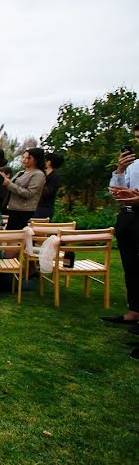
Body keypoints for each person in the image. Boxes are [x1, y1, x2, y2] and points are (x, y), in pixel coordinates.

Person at [104, 125, 139, 354]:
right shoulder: (134, 165)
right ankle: (134, 311)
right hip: (127, 215)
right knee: (131, 265)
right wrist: (119, 168)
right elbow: (116, 189)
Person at [3, 148, 46, 231]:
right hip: (13, 208)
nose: (25, 160)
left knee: (17, 234)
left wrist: (9, 184)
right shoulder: (20, 173)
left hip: (24, 210)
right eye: (24, 157)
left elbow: (29, 193)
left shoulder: (38, 174)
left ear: (36, 160)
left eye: (28, 158)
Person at [35, 152, 64, 220]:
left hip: (45, 208)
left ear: (48, 162)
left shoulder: (55, 177)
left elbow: (48, 193)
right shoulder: (41, 174)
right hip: (35, 206)